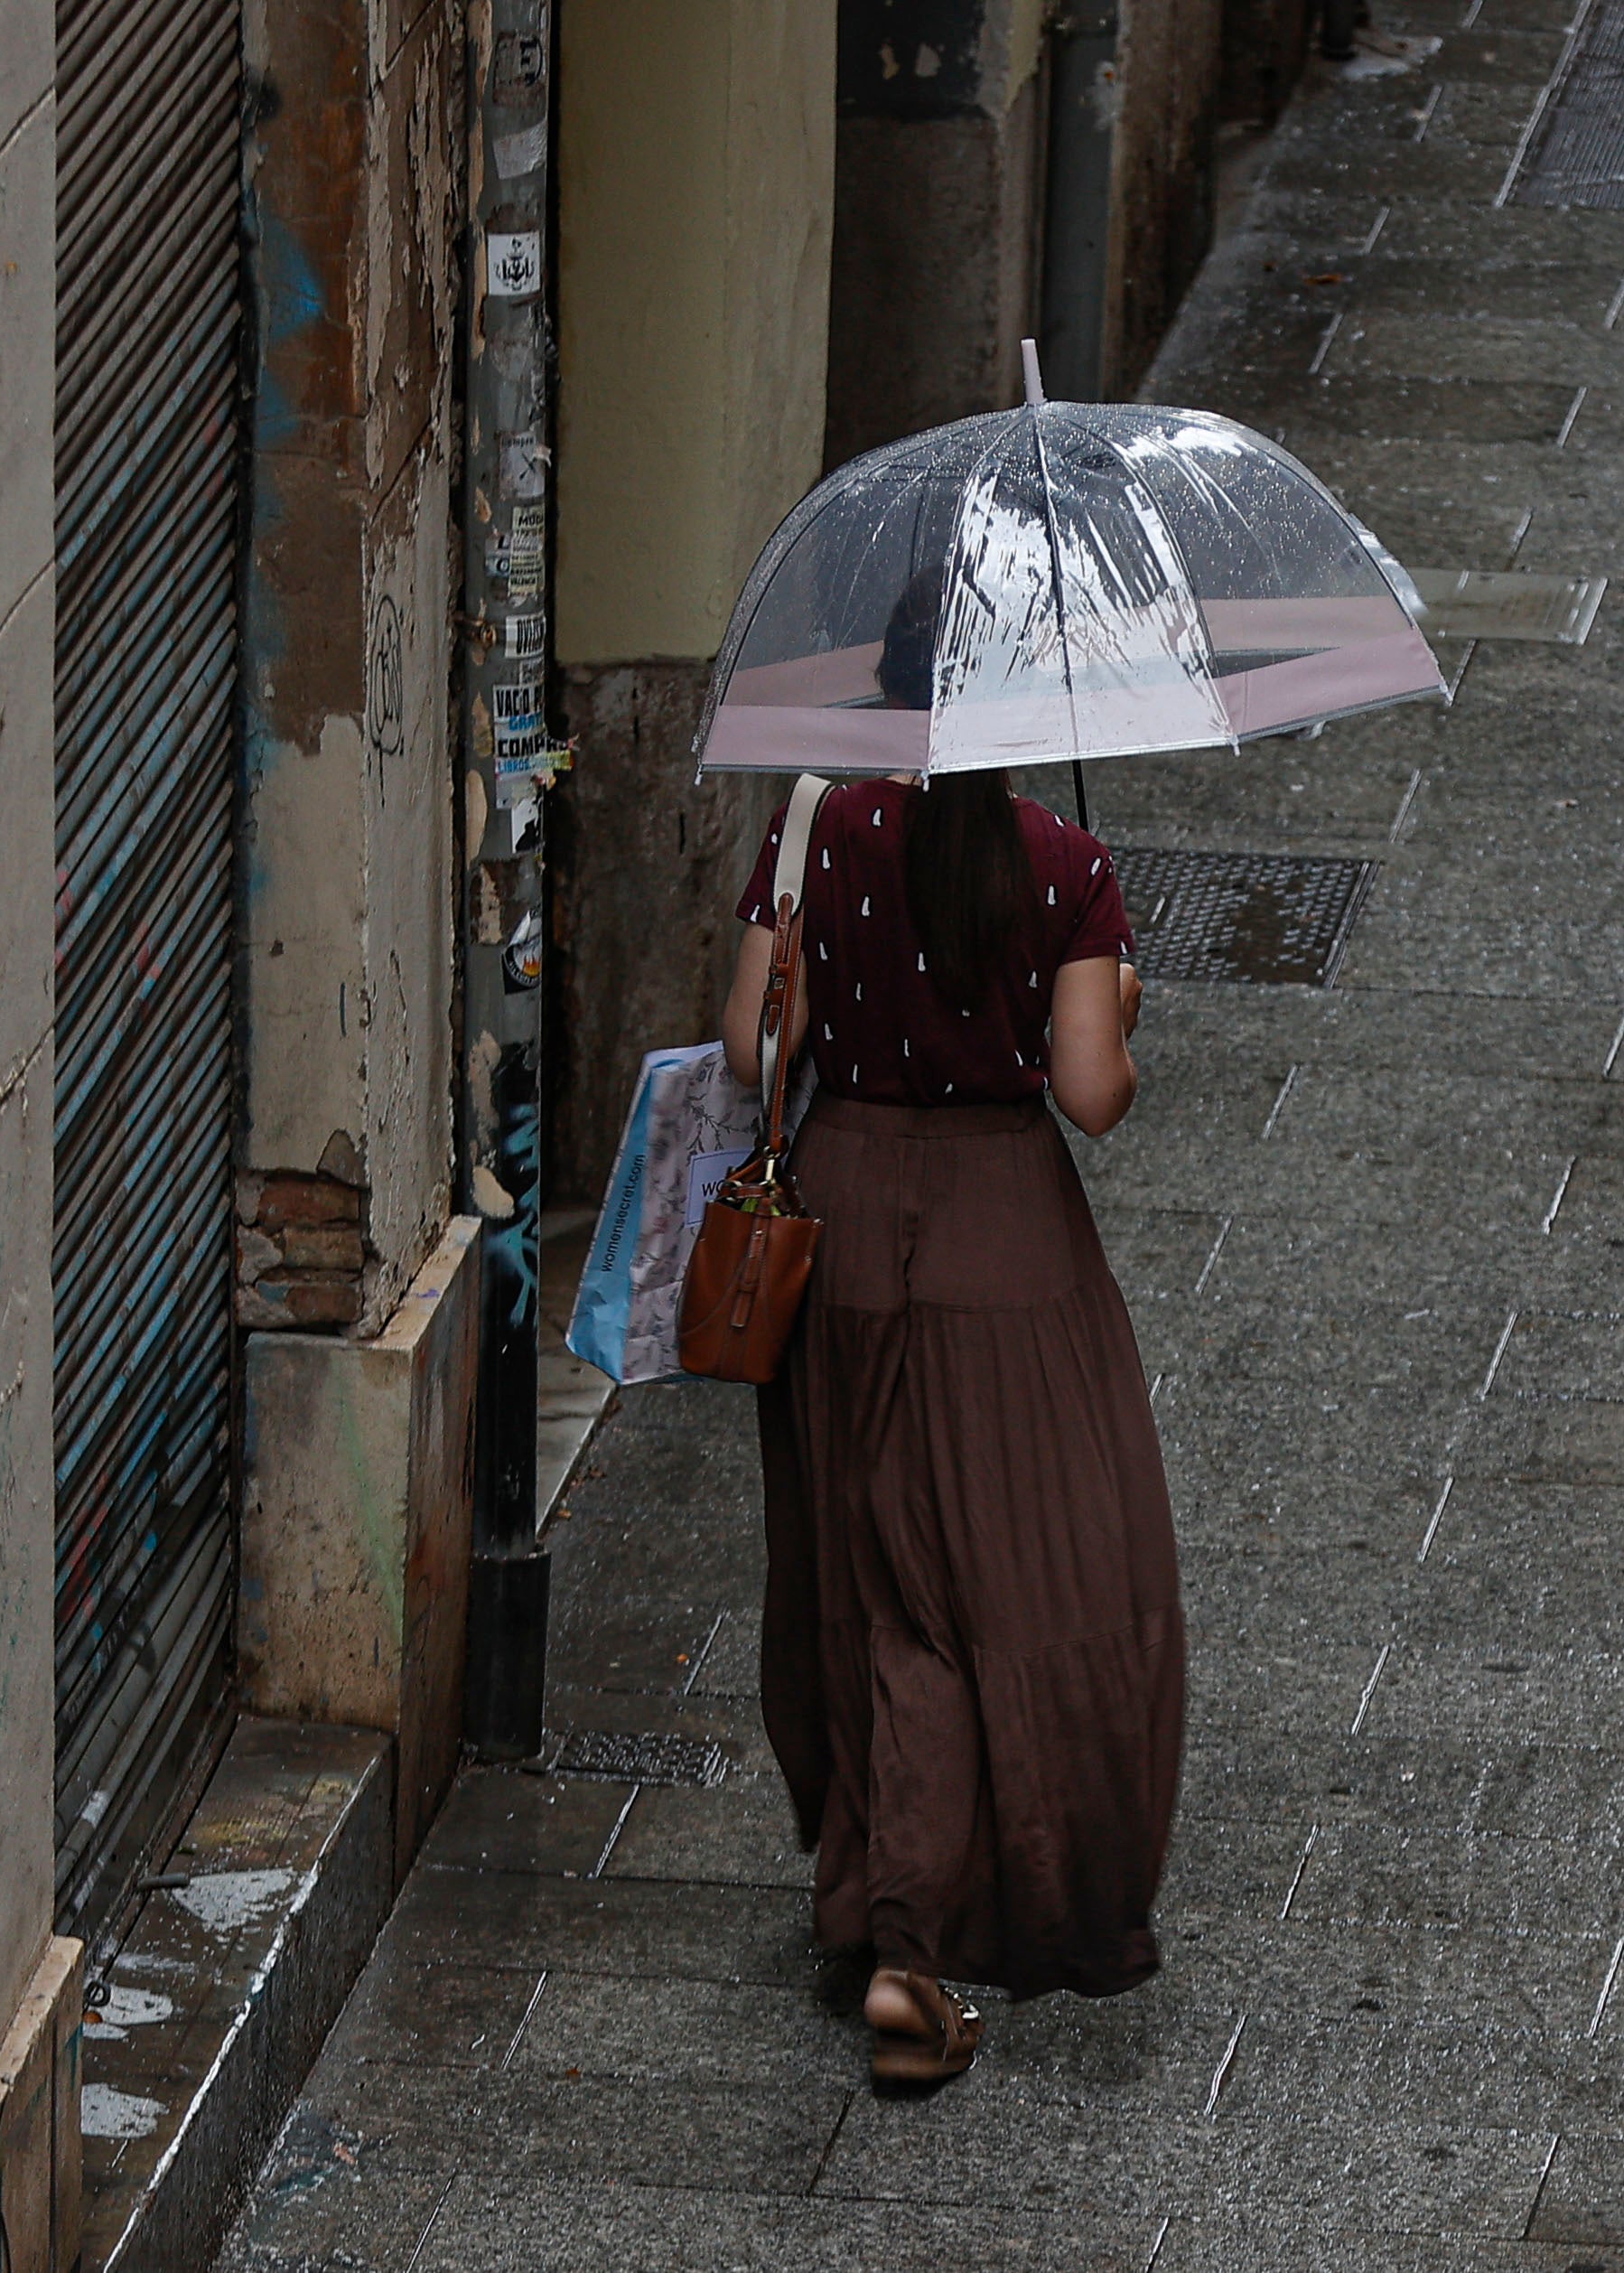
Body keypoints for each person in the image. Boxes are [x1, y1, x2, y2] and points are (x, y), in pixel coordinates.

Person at [719, 594, 1181, 2091]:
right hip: (1005, 1240)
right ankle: (935, 1938)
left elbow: (753, 1051)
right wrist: (1121, 1001)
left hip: (843, 1218)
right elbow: (1093, 1097)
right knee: (1031, 1577)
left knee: (880, 1574)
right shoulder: (1064, 869)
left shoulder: (815, 838)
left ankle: (888, 1897)